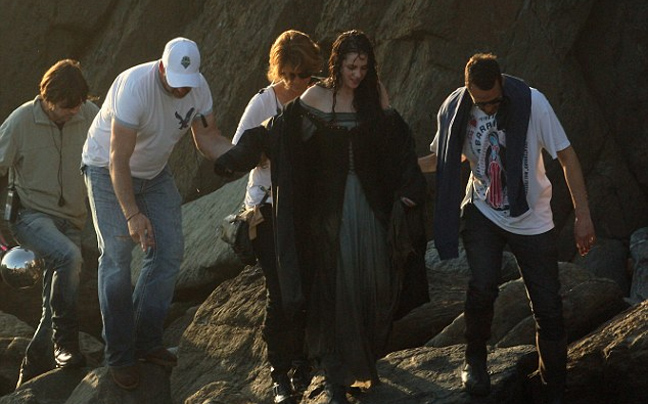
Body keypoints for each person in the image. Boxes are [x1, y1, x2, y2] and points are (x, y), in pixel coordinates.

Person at [215, 30, 428, 404]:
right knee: (334, 289)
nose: (357, 74)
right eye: (351, 67)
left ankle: (361, 364)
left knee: (374, 284)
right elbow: (273, 133)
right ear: (337, 64)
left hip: (370, 208)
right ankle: (334, 375)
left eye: (363, 67)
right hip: (328, 213)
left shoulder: (375, 95)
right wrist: (233, 158)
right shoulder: (316, 96)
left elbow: (399, 143)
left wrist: (410, 188)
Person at [418, 53, 596, 403]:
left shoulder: (533, 103)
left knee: (548, 308)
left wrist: (583, 216)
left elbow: (567, 157)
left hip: (532, 217)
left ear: (502, 83)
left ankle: (554, 390)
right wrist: (401, 169)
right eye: (480, 102)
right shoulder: (457, 108)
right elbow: (447, 157)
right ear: (468, 90)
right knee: (483, 286)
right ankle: (475, 361)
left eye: (494, 101)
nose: (487, 108)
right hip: (483, 211)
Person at [82, 37, 231, 390]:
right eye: (176, 82)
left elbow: (209, 140)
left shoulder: (198, 89)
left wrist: (248, 156)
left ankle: (146, 341)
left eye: (188, 84)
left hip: (154, 173)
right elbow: (118, 159)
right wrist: (132, 214)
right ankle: (120, 354)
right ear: (162, 67)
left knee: (169, 250)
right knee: (117, 256)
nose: (182, 90)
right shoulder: (136, 87)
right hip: (106, 169)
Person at [232, 30, 322, 404]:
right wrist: (268, 149)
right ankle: (279, 373)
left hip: (309, 205)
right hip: (267, 207)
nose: (296, 82)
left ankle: (304, 362)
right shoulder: (263, 103)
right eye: (289, 75)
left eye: (304, 74)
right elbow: (239, 153)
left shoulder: (321, 95)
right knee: (282, 290)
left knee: (311, 284)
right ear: (278, 71)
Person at [0, 59, 99, 388]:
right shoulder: (20, 121)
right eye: (66, 107)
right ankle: (66, 344)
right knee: (69, 257)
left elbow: (110, 153)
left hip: (73, 219)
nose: (73, 112)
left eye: (78, 105)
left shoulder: (89, 114)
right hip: (29, 217)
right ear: (47, 97)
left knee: (50, 306)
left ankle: (30, 371)